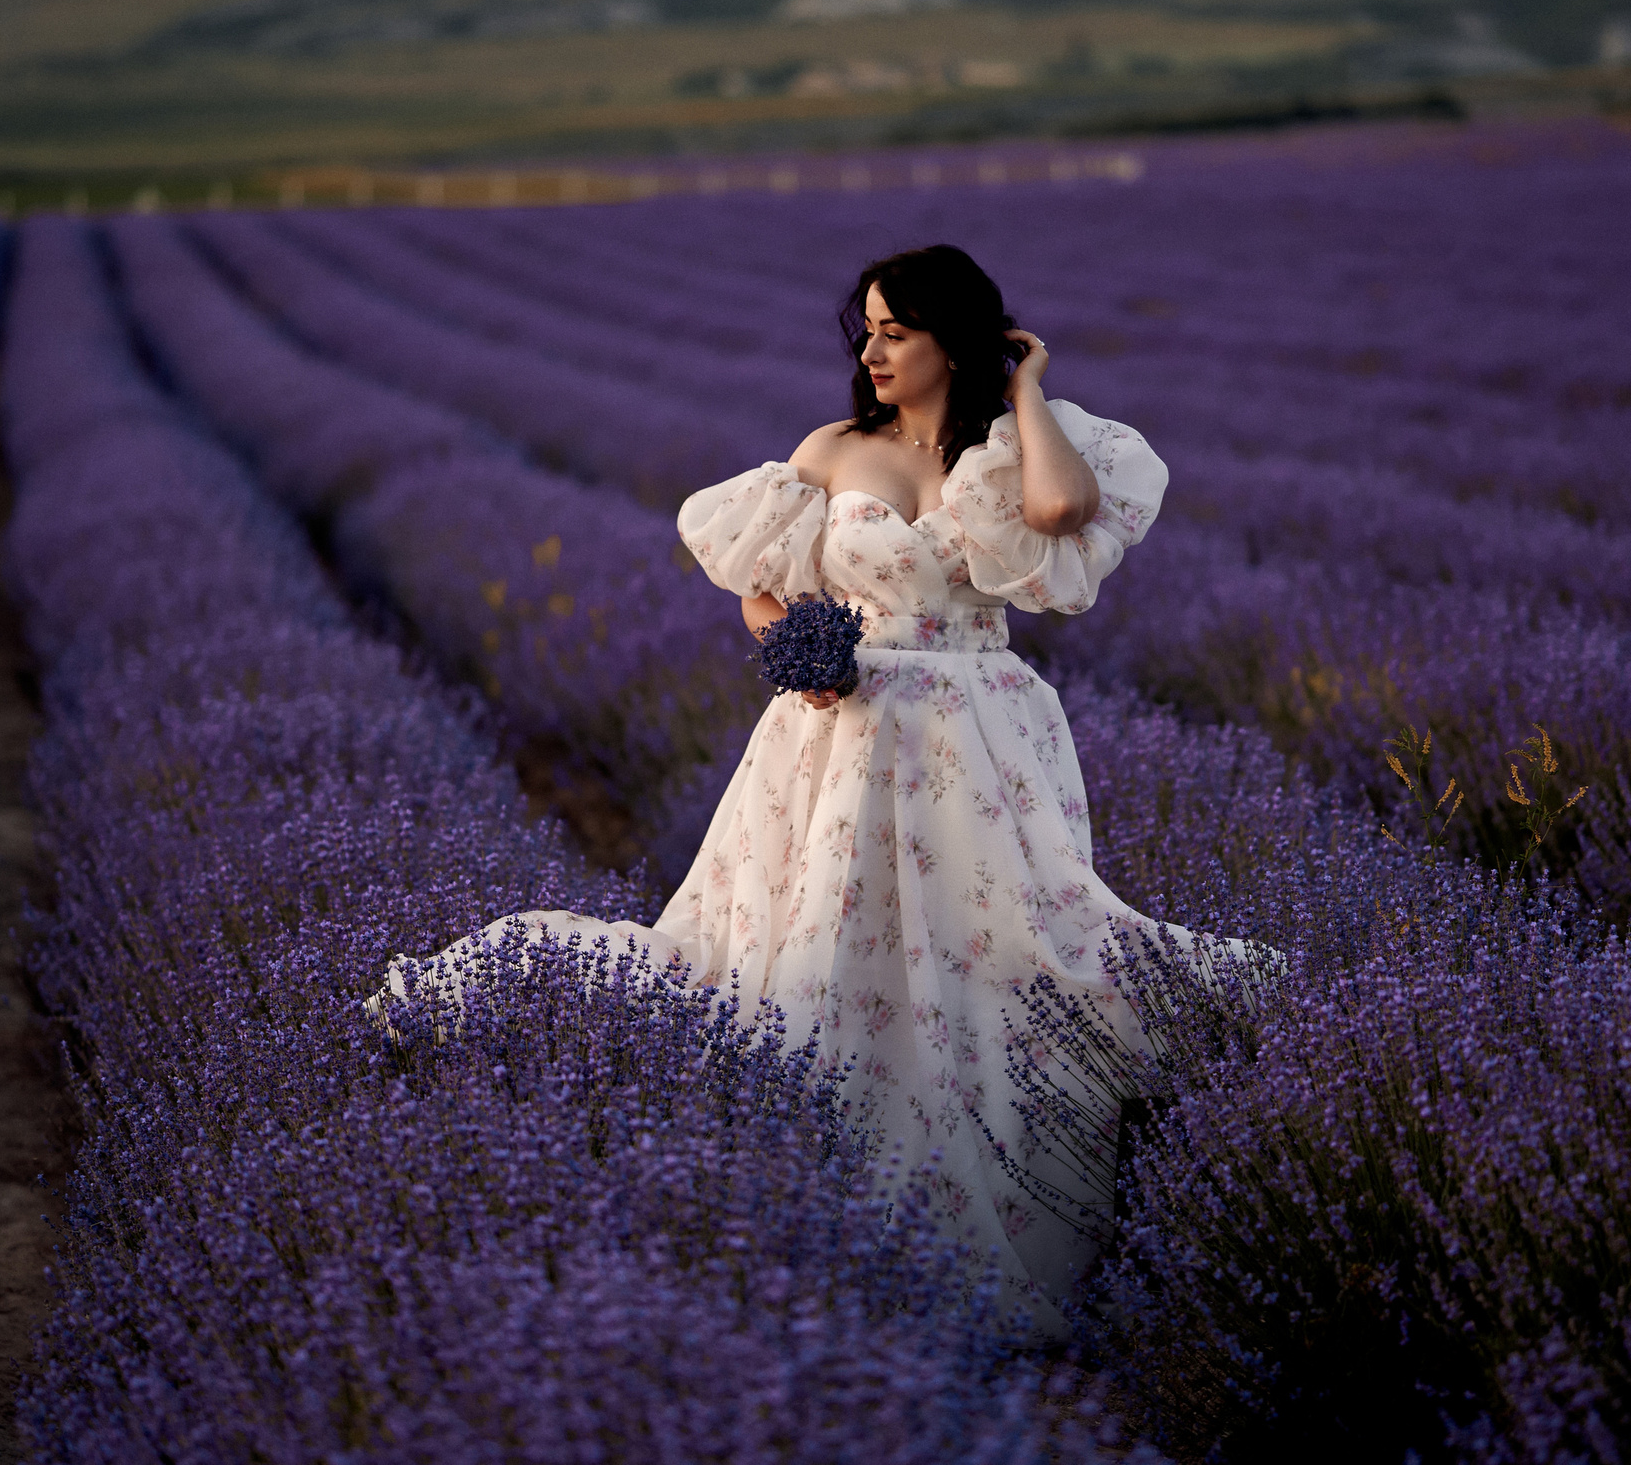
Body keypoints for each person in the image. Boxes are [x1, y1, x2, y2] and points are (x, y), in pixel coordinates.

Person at [379, 244, 1264, 1317]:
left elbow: (1060, 516)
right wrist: (804, 651)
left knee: (999, 946)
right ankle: (827, 1190)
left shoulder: (1016, 447)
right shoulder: (833, 449)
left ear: (959, 339)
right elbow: (759, 589)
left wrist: (1026, 388)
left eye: (898, 329)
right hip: (841, 729)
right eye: (868, 328)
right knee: (829, 945)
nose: (872, 348)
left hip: (980, 729)